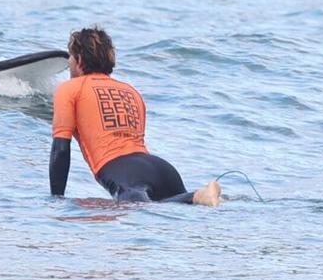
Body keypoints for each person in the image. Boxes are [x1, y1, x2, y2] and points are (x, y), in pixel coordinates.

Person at [49, 27, 221, 206]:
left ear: (79, 59)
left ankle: (199, 195)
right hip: (162, 169)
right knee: (175, 206)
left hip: (123, 171)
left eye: (70, 56)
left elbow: (60, 148)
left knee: (139, 207)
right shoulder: (130, 91)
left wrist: (56, 201)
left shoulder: (70, 88)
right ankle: (204, 196)